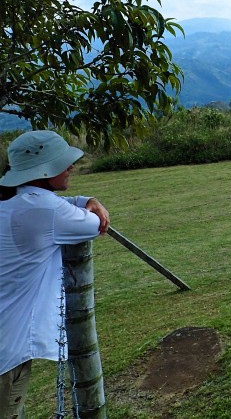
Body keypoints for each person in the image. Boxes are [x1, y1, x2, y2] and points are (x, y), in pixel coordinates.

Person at [0, 130, 110, 419]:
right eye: (63, 162)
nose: (71, 167)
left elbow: (50, 205)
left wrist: (83, 197)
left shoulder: (13, 202)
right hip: (5, 349)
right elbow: (94, 224)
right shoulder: (44, 208)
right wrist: (90, 202)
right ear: (43, 170)